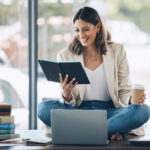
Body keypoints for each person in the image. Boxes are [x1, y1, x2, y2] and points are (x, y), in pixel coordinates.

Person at [38, 6, 150, 141]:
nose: (81, 35)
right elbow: (68, 102)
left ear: (98, 27)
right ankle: (107, 131)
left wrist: (132, 100)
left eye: (86, 29)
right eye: (77, 30)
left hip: (110, 112)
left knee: (143, 111)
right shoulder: (65, 55)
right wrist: (66, 95)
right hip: (78, 112)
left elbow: (124, 90)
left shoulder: (117, 51)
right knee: (43, 108)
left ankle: (85, 131)